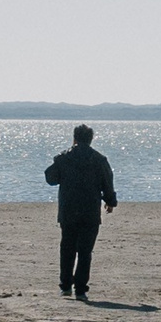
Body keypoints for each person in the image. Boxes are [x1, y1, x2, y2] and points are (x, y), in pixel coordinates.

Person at [43, 124, 117, 300]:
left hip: (68, 210)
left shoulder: (64, 158)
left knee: (67, 248)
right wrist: (110, 201)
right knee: (85, 251)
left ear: (74, 138)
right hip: (90, 211)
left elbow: (50, 178)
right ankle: (81, 289)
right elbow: (107, 181)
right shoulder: (99, 159)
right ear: (90, 140)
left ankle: (66, 286)